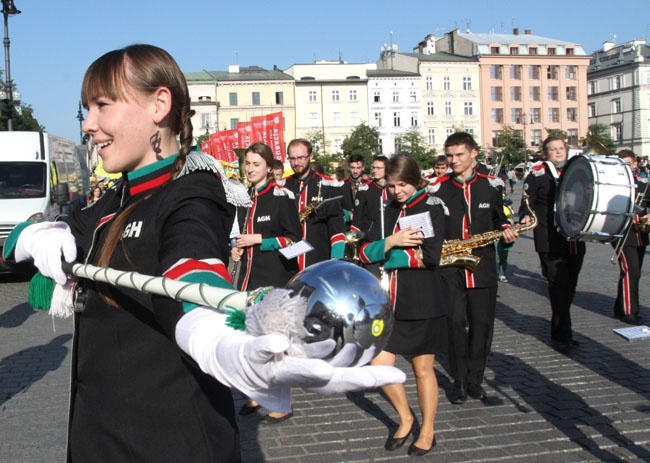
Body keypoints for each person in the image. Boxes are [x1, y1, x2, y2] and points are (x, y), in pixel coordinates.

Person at [1, 44, 404, 463]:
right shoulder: (114, 198)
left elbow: (193, 268)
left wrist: (221, 345)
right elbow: (21, 243)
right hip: (95, 436)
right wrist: (38, 235)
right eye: (86, 108)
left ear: (159, 104)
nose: (88, 124)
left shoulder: (194, 193)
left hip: (167, 440)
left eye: (102, 105)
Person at [359, 153, 447, 457]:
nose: (397, 191)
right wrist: (393, 242)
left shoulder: (431, 207)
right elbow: (365, 253)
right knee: (379, 364)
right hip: (389, 301)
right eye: (392, 185)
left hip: (422, 299)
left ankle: (428, 430)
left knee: (423, 369)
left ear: (415, 180)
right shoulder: (386, 208)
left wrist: (390, 254)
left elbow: (431, 257)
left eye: (402, 185)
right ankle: (406, 416)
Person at [429, 132, 518, 404]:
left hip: (482, 267)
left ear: (474, 153)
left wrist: (506, 230)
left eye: (459, 155)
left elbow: (500, 216)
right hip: (450, 268)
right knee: (454, 323)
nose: (454, 161)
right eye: (450, 156)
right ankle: (457, 378)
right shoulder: (437, 188)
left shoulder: (491, 186)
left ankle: (475, 379)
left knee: (481, 325)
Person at [230, 142, 301, 423]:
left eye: (256, 164)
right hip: (247, 279)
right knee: (251, 341)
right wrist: (235, 249)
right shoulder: (243, 198)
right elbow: (238, 236)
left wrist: (261, 240)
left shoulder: (281, 196)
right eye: (247, 163)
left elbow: (296, 241)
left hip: (273, 279)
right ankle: (256, 394)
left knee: (273, 344)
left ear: (269, 168)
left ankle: (281, 402)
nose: (249, 169)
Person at [519, 135, 586, 353]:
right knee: (558, 285)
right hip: (549, 238)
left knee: (570, 286)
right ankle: (561, 334)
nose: (558, 152)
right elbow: (526, 199)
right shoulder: (539, 172)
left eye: (561, 148)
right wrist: (526, 215)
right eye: (553, 149)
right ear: (545, 152)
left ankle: (563, 328)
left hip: (574, 238)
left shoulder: (577, 170)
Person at [284, 138, 346, 269]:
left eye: (301, 158)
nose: (296, 163)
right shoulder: (282, 187)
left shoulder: (329, 185)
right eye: (292, 158)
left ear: (311, 156)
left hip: (319, 259)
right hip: (288, 264)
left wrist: (336, 261)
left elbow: (337, 227)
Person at [612, 149, 649, 325]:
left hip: (641, 233)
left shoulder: (644, 183)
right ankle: (629, 312)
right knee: (631, 270)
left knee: (634, 272)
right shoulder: (613, 185)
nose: (627, 167)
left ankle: (619, 306)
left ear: (635, 164)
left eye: (629, 163)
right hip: (622, 233)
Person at [351, 155, 392, 278]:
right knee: (373, 279)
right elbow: (358, 217)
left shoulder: (393, 189)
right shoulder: (365, 189)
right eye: (373, 167)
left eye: (379, 168)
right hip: (371, 241)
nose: (374, 170)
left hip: (390, 240)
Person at [341, 153, 366, 224]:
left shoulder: (368, 185)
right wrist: (347, 214)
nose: (355, 171)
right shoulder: (341, 185)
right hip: (347, 225)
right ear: (349, 167)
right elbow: (336, 206)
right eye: (352, 168)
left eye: (358, 168)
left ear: (363, 167)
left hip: (364, 225)